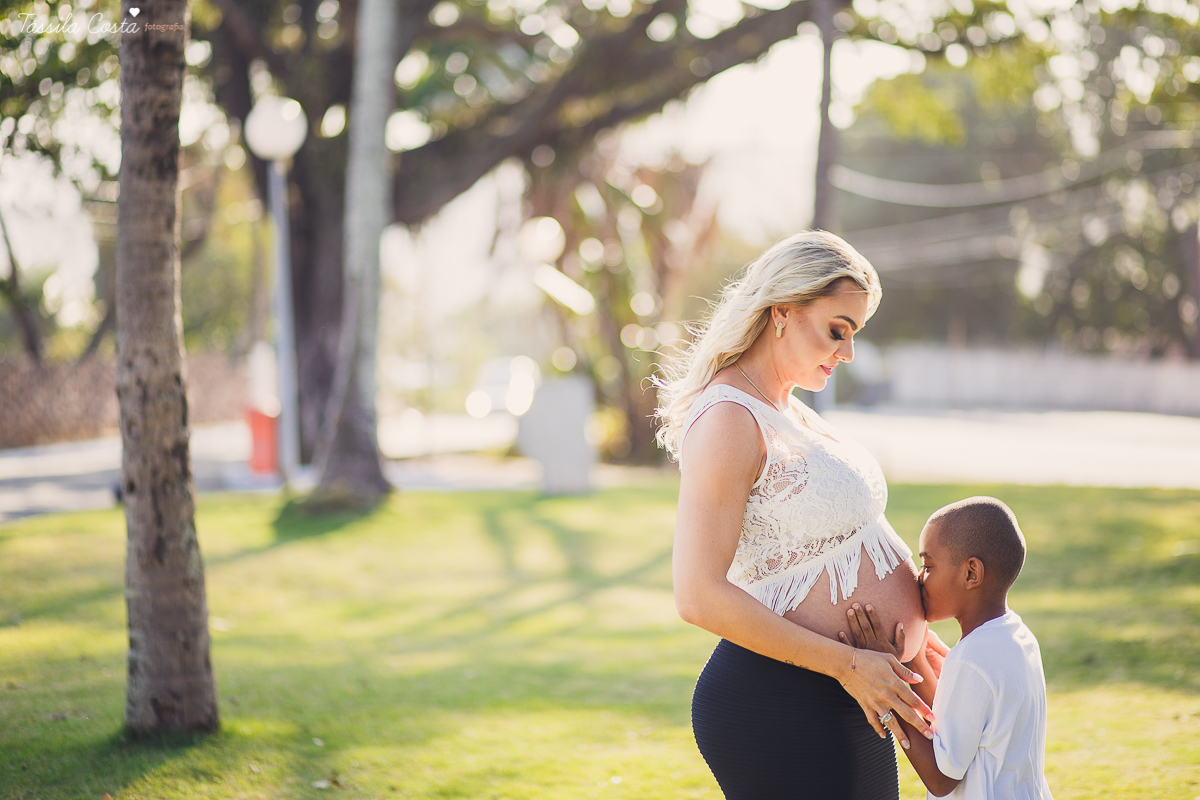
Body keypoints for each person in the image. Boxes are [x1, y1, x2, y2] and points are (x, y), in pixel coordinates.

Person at [656, 231, 934, 800]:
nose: (848, 353)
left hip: (851, 686)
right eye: (839, 330)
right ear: (782, 310)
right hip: (781, 698)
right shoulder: (729, 419)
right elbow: (697, 595)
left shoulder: (787, 406)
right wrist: (848, 664)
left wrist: (913, 646)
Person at [843, 496, 1054, 800]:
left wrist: (887, 689)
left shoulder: (971, 659)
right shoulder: (1016, 637)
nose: (919, 578)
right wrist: (914, 661)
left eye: (928, 565)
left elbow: (941, 779)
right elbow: (949, 726)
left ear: (971, 574)